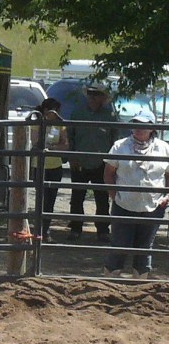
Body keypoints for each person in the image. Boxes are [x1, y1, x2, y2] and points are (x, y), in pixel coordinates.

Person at [102, 115, 169, 278]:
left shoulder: (164, 148)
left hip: (153, 206)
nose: (139, 128)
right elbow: (108, 174)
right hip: (123, 204)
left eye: (144, 125)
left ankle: (140, 284)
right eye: (136, 124)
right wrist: (114, 196)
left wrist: (166, 196)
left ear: (152, 128)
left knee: (145, 247)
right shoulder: (120, 146)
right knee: (119, 244)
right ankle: (110, 282)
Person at [66, 83, 119, 242]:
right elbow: (71, 136)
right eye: (90, 94)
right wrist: (71, 156)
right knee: (76, 197)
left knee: (102, 199)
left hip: (102, 163)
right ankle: (75, 229)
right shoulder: (77, 113)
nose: (92, 97)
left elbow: (115, 140)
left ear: (103, 97)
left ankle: (103, 230)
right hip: (80, 161)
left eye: (96, 94)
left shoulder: (110, 116)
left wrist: (114, 164)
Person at [32, 97, 69, 241]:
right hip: (39, 165)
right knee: (40, 198)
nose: (57, 114)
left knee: (50, 199)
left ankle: (45, 230)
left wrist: (52, 147)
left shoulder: (60, 125)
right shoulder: (37, 123)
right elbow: (36, 142)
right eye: (54, 111)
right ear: (46, 111)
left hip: (55, 165)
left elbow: (65, 144)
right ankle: (38, 229)